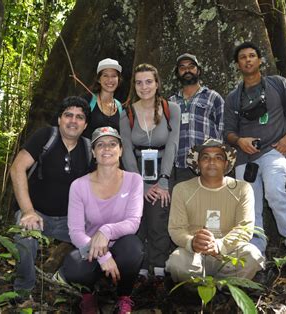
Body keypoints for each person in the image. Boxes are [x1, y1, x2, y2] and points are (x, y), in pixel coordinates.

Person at [224, 42, 286, 273]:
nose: (248, 60)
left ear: (260, 60)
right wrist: (239, 141)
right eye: (242, 57)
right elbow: (228, 132)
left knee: (276, 193)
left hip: (274, 152)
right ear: (237, 64)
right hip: (246, 159)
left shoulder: (278, 84)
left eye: (252, 55)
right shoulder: (234, 97)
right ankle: (256, 254)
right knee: (249, 207)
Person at [10, 96, 92, 303]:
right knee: (25, 235)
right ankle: (23, 292)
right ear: (59, 119)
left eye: (79, 117)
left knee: (98, 245)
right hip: (37, 214)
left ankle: (63, 278)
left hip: (70, 220)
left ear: (85, 125)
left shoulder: (88, 149)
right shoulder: (46, 136)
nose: (73, 121)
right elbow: (17, 168)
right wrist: (28, 211)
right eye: (68, 115)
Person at [55, 127, 144, 314]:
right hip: (90, 248)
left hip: (121, 245)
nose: (107, 149)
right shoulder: (79, 186)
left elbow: (133, 222)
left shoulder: (134, 180)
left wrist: (106, 231)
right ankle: (88, 297)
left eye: (113, 144)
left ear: (120, 150)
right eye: (100, 145)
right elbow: (76, 231)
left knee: (134, 249)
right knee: (74, 269)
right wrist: (104, 256)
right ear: (93, 153)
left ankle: (123, 297)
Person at [166, 138, 265, 283]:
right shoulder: (182, 189)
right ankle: (198, 291)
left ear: (226, 164)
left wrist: (218, 245)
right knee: (176, 262)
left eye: (218, 158)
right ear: (198, 163)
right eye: (205, 157)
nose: (211, 162)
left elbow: (244, 229)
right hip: (194, 254)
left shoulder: (242, 189)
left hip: (228, 253)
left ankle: (224, 289)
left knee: (252, 256)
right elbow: (176, 229)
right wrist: (192, 242)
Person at [120, 63, 180, 284]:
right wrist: (139, 185)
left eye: (148, 81)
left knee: (159, 216)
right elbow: (125, 148)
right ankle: (141, 267)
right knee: (138, 217)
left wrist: (163, 180)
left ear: (157, 83)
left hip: (163, 168)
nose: (144, 87)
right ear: (133, 85)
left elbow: (172, 144)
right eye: (139, 82)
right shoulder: (127, 112)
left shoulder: (170, 109)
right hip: (134, 171)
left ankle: (159, 267)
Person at [168, 53, 225, 187]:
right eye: (182, 68)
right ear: (177, 73)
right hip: (179, 165)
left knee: (208, 206)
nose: (187, 70)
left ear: (198, 71)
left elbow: (223, 130)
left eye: (191, 66)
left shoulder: (213, 97)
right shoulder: (171, 102)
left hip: (206, 164)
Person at [82, 58, 123, 139]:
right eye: (105, 75)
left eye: (114, 76)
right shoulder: (87, 101)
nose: (110, 80)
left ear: (118, 79)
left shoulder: (120, 107)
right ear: (99, 79)